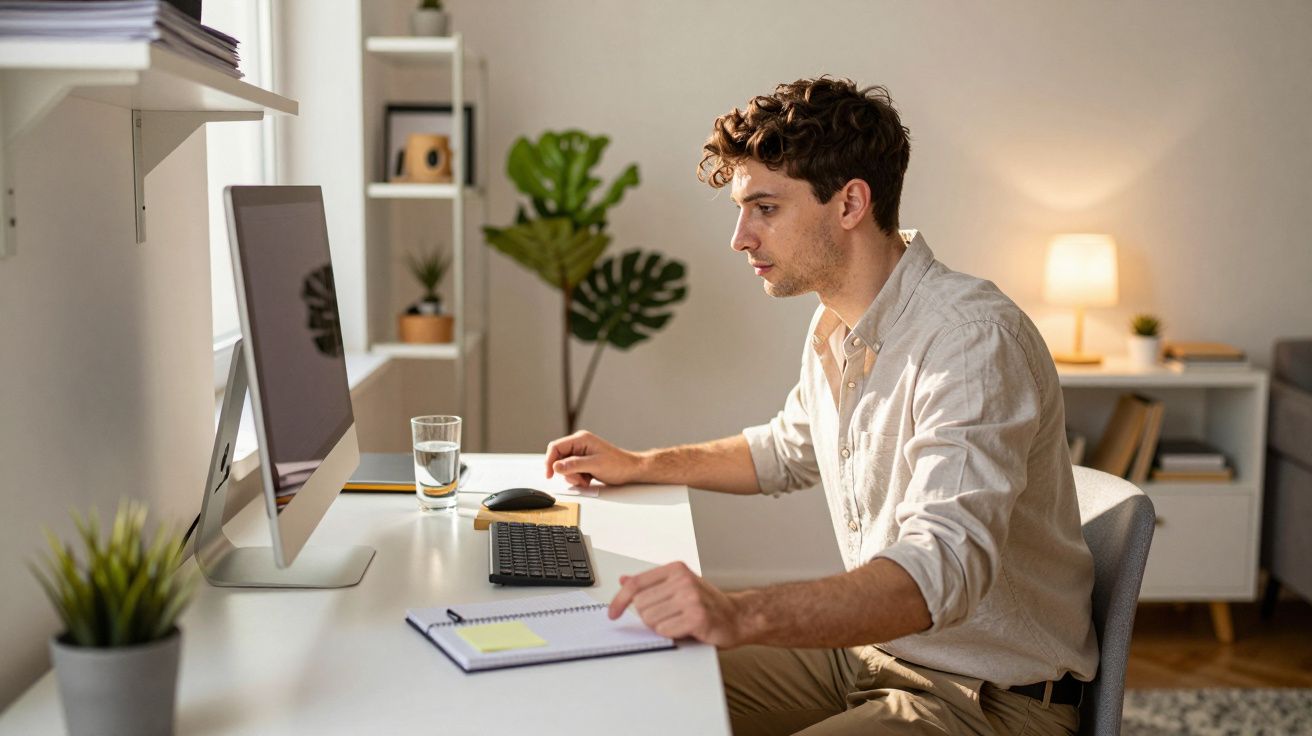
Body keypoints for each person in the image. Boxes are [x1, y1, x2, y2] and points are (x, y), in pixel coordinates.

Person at [543, 77, 1097, 736]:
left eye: (765, 208)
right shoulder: (838, 326)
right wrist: (641, 463)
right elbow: (786, 449)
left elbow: (942, 568)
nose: (740, 238)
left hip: (982, 698)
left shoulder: (971, 340)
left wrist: (740, 613)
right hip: (867, 657)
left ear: (850, 203)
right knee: (627, 681)